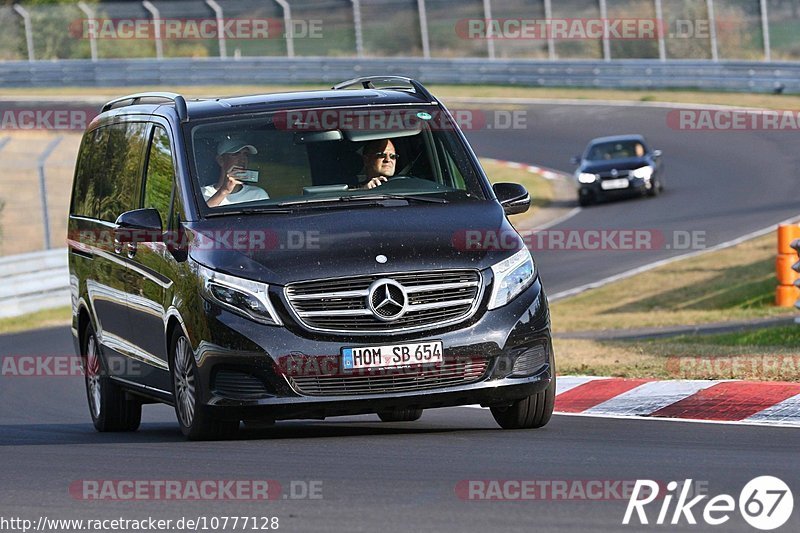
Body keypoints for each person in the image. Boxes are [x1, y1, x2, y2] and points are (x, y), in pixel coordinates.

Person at [203, 138, 269, 207]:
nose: (242, 159)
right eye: (236, 154)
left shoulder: (258, 194)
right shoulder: (202, 193)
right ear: (221, 160)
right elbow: (201, 215)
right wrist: (224, 191)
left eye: (246, 154)